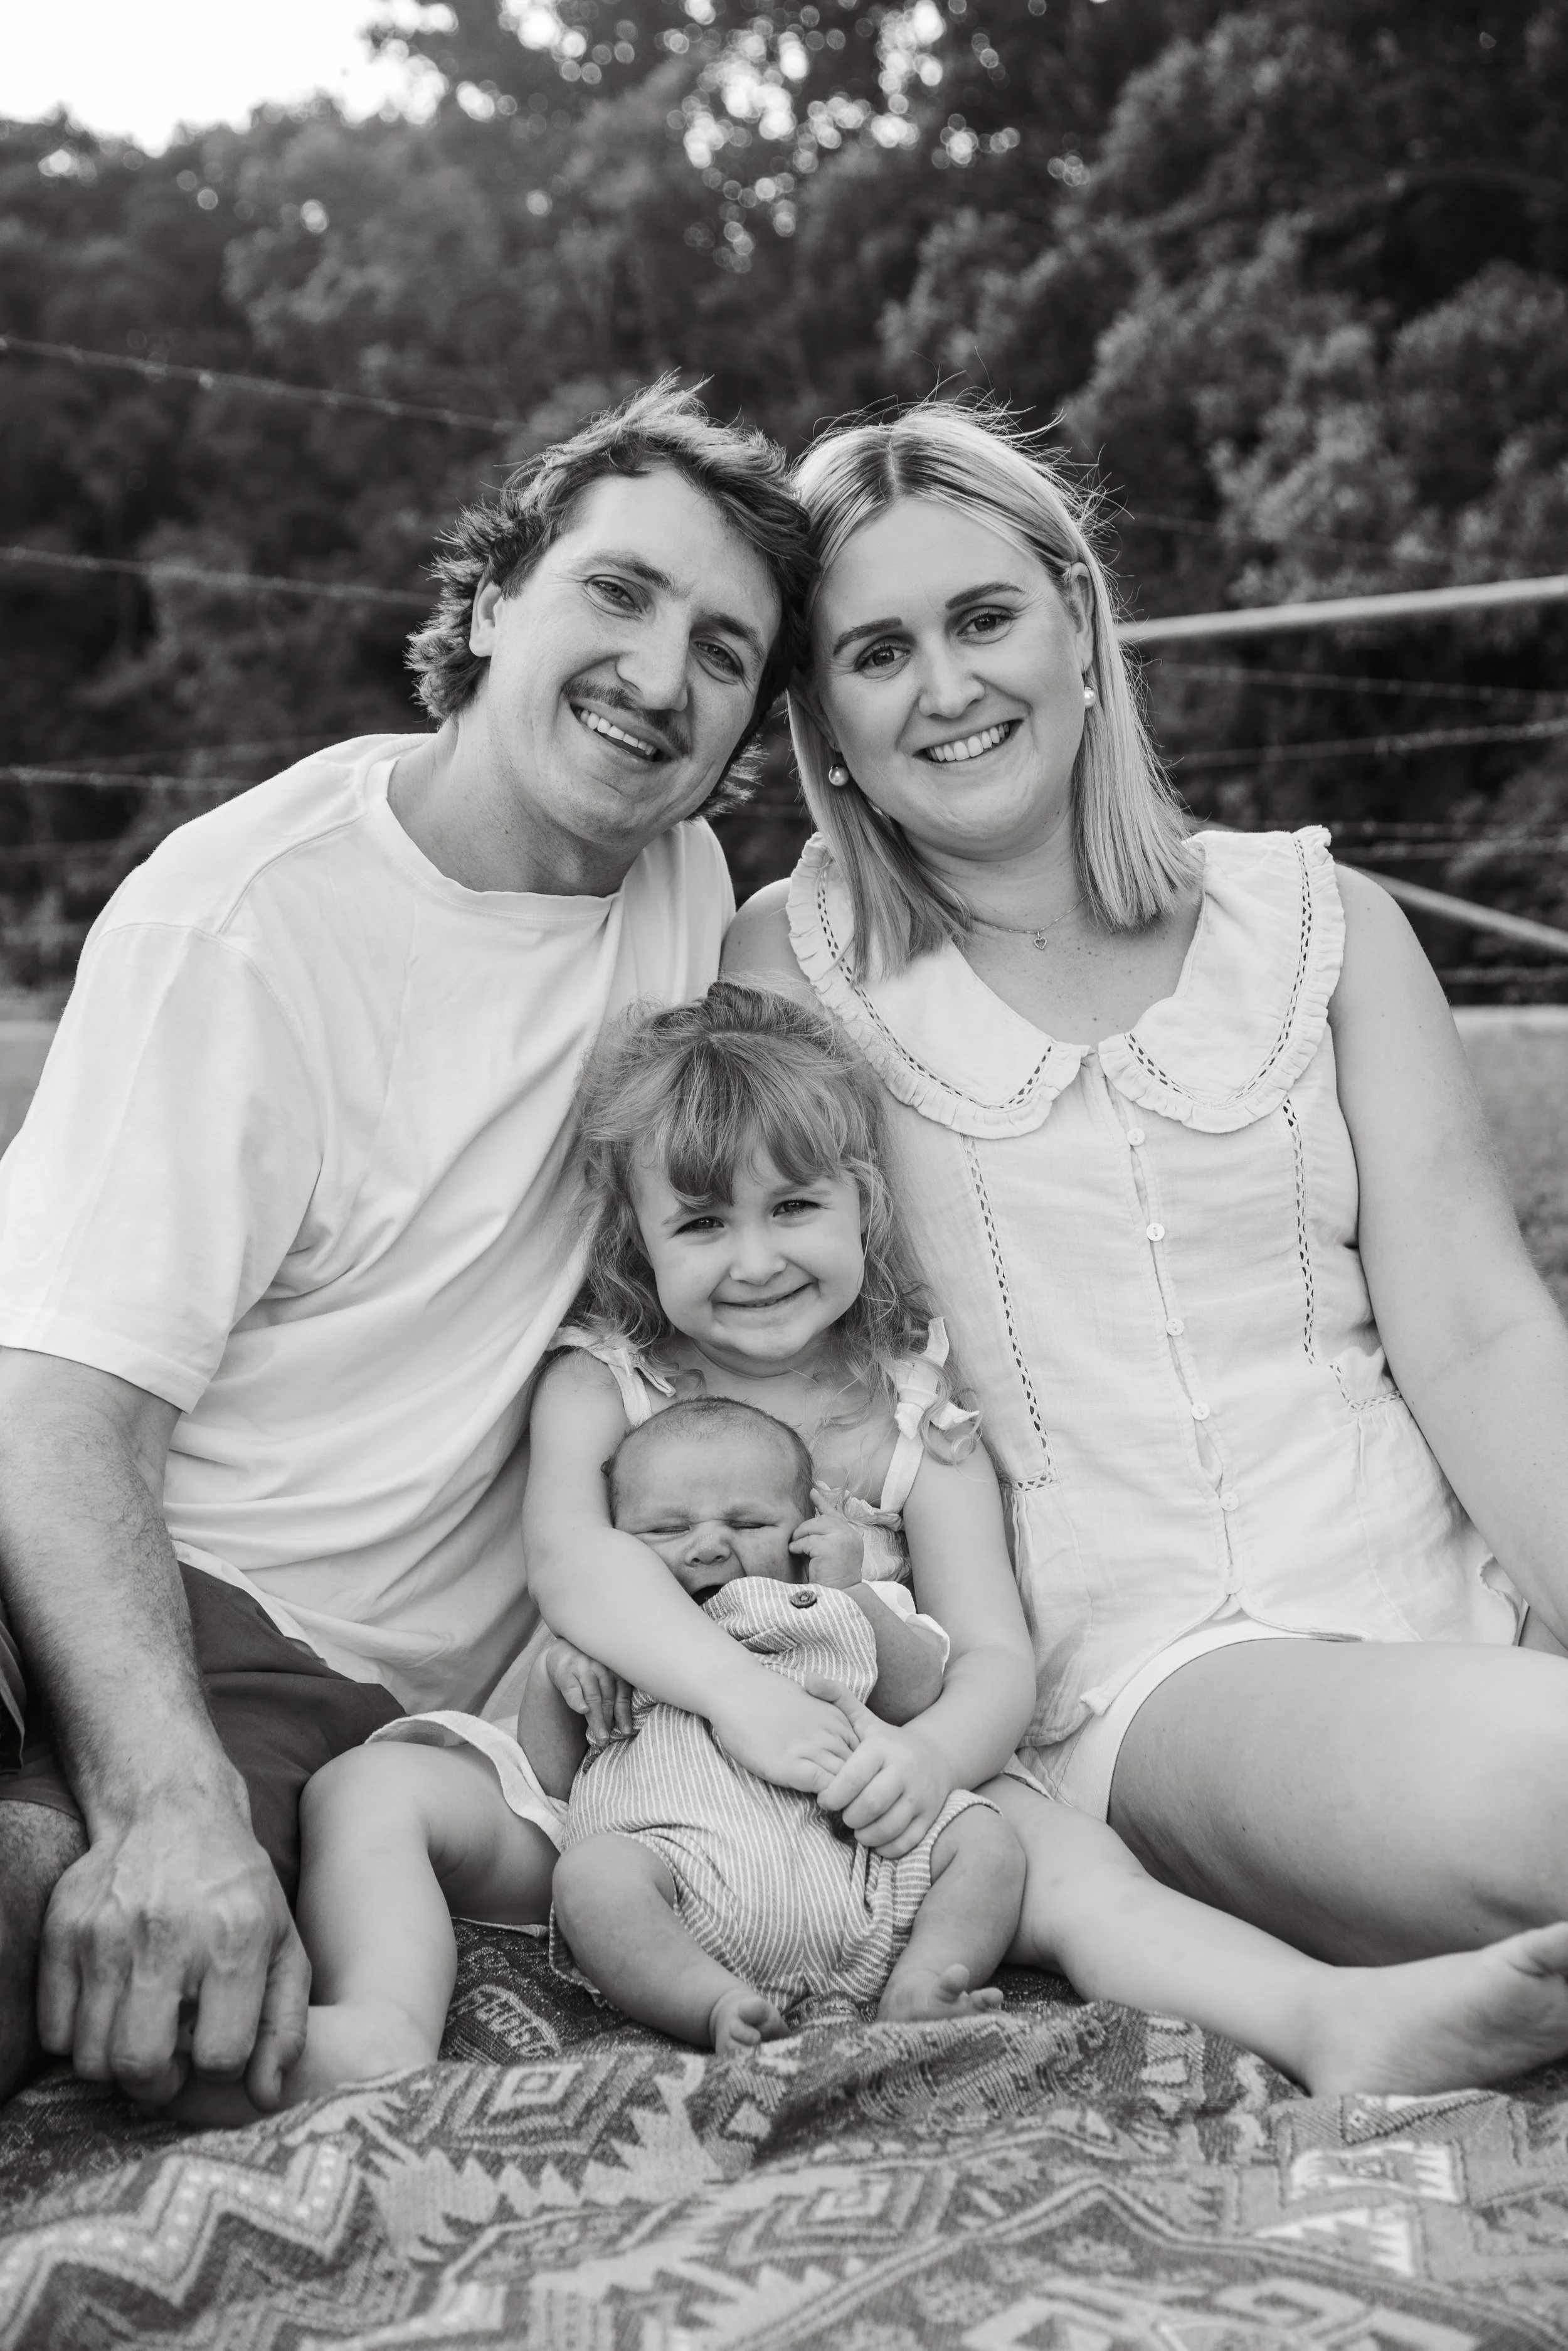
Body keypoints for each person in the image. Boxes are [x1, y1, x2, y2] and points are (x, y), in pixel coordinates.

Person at [0, 379, 838, 2113]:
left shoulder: (686, 900)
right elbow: (53, 1407)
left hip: (311, 1683)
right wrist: (166, 1795)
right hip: (94, 1581)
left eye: (723, 649)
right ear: (485, 603)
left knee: (67, 1964)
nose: (658, 674)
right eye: (616, 593)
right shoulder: (249, 922)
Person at [714, 399, 1568, 2009]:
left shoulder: (1319, 919)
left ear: (1080, 626)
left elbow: (1475, 1328)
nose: (948, 686)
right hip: (1158, 1660)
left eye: (983, 617)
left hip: (1464, 1572)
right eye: (877, 651)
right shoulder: (794, 970)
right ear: (822, 717)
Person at [470, 982, 1568, 2095]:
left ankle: (1325, 2020)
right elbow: (573, 1560)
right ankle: (647, 2003)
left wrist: (935, 1759)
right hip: (671, 1805)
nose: (754, 1261)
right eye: (702, 1225)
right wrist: (734, 1694)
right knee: (437, 1817)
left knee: (1077, 1871)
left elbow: (992, 1649)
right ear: (637, 1237)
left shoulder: (915, 1422)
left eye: (793, 1207)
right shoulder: (609, 1387)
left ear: (861, 1201)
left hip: (875, 1803)